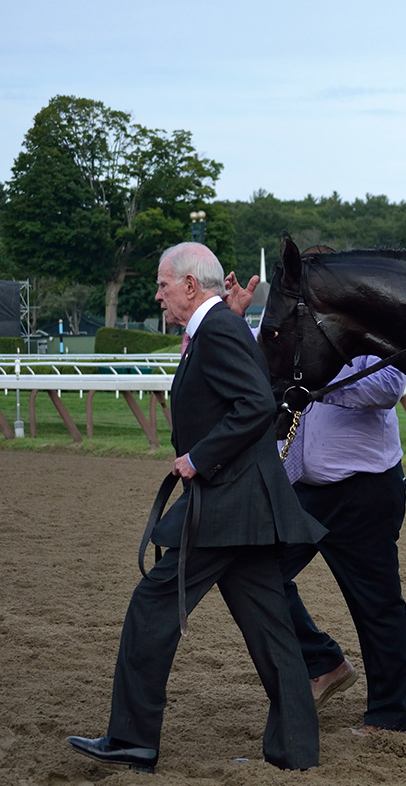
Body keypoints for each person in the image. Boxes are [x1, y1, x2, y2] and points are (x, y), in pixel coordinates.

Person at [67, 242, 326, 773]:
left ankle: (132, 740)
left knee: (151, 605)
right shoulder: (219, 327)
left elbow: (256, 403)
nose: (158, 295)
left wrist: (197, 459)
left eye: (164, 285)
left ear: (190, 285)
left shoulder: (218, 330)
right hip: (241, 506)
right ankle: (296, 752)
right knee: (272, 630)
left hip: (226, 503)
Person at [226, 271, 406, 737]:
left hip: (364, 489)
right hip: (302, 488)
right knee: (254, 570)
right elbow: (245, 362)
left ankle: (387, 718)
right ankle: (324, 661)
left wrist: (316, 378)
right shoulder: (291, 326)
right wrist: (232, 319)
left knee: (376, 604)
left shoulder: (370, 326)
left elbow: (389, 386)